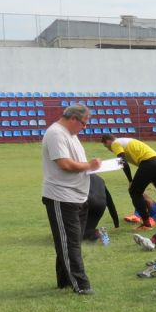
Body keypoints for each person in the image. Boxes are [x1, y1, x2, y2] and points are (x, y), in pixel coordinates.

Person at [42, 105, 101, 295]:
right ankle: (81, 285)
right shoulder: (56, 133)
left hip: (77, 195)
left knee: (70, 241)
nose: (85, 127)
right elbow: (65, 164)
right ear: (73, 118)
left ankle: (65, 281)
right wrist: (89, 165)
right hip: (62, 196)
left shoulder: (70, 134)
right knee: (70, 243)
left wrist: (89, 166)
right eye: (83, 123)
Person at [102, 135, 156, 230]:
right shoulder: (124, 140)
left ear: (108, 141)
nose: (108, 149)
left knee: (134, 192)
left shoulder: (115, 143)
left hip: (149, 162)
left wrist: (130, 181)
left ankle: (146, 224)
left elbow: (123, 162)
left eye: (106, 146)